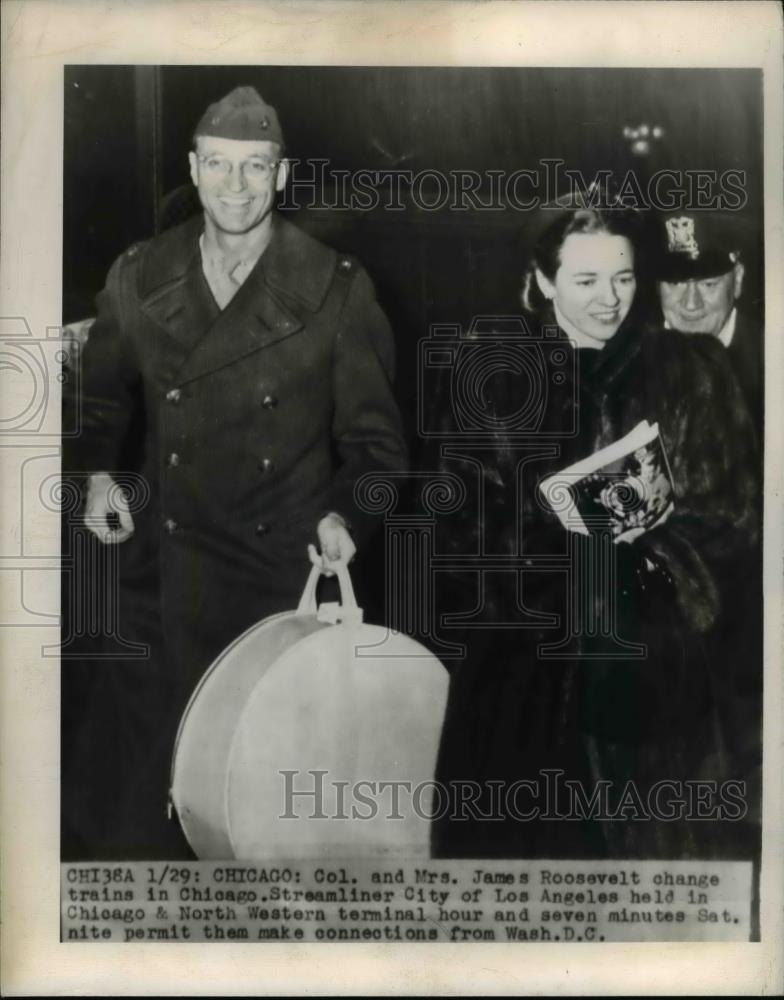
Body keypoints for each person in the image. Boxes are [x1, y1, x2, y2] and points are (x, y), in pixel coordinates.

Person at [62, 86, 408, 858]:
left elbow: (380, 454)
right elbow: (97, 405)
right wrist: (94, 477)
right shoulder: (139, 273)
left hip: (276, 589)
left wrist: (345, 517)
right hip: (160, 586)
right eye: (219, 166)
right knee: (134, 823)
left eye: (256, 168)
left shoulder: (335, 287)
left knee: (258, 828)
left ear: (282, 176)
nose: (237, 186)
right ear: (194, 167)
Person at [431, 199, 761, 861]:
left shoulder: (689, 372)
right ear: (544, 280)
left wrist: (652, 547)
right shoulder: (494, 377)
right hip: (524, 675)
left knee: (653, 881)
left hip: (652, 672)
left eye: (625, 278)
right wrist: (559, 539)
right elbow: (460, 534)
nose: (609, 300)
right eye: (585, 282)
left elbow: (733, 517)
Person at [654, 209, 763, 431]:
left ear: (738, 279)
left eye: (708, 284)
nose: (691, 303)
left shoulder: (771, 359)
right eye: (676, 283)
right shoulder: (627, 360)